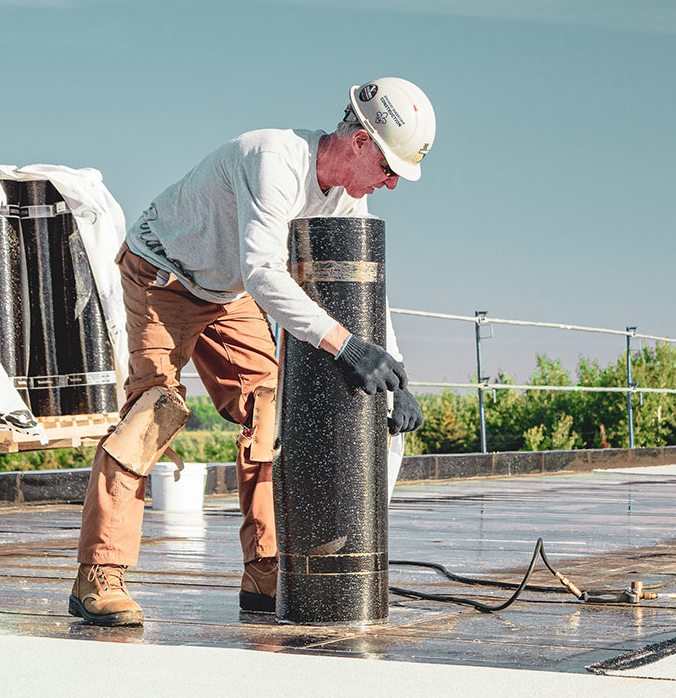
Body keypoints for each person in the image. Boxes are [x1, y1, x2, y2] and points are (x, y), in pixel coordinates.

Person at [68, 77, 434, 626]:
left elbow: (368, 297)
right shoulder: (273, 160)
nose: (390, 185)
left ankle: (265, 569)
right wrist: (344, 346)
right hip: (163, 273)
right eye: (388, 170)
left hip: (226, 290)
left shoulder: (344, 200)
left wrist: (396, 378)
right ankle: (99, 576)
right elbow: (265, 271)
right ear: (360, 143)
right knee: (153, 413)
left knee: (269, 411)